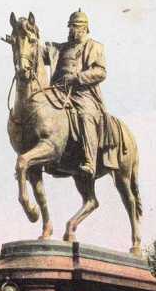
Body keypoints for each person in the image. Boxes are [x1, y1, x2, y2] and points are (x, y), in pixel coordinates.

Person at [44, 9, 108, 177]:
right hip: (58, 91)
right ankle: (52, 159)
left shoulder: (95, 46)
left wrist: (78, 78)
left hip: (82, 93)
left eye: (74, 27)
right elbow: (40, 53)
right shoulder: (61, 48)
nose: (71, 31)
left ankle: (90, 161)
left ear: (84, 28)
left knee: (86, 115)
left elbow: (100, 72)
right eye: (70, 27)